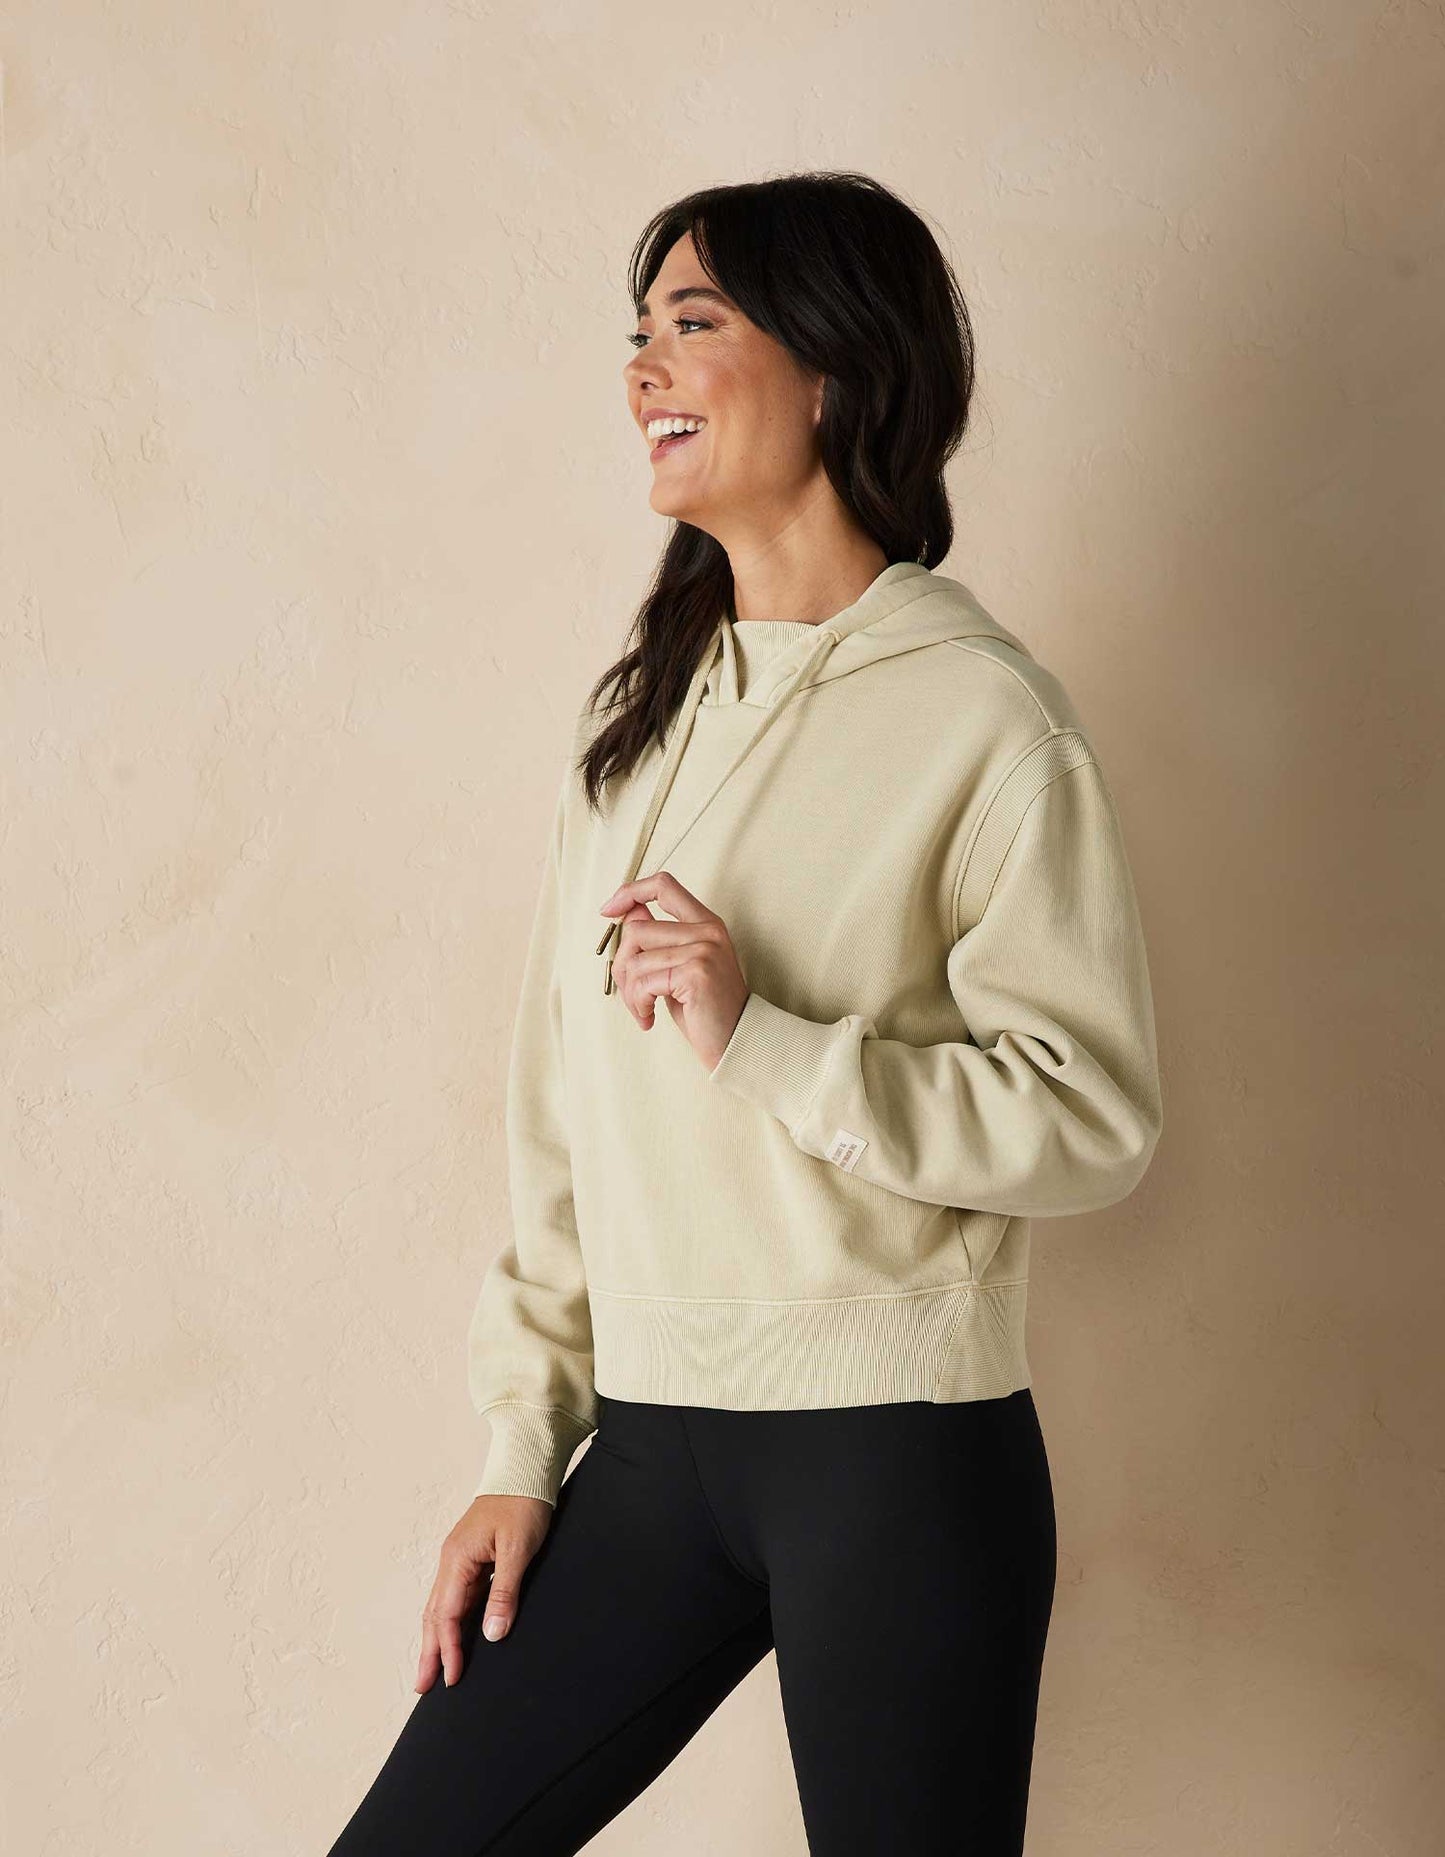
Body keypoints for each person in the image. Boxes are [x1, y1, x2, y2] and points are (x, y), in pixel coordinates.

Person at [327, 170, 1163, 1857]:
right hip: (645, 1447)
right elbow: (555, 1111)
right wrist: (520, 1444)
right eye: (635, 333)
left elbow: (1090, 1116)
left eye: (692, 323)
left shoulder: (984, 719)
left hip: (897, 1457)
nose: (642, 367)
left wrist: (763, 1039)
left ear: (836, 372)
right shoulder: (636, 723)